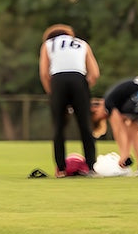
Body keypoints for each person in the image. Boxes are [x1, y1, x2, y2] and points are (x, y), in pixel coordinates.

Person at [38, 24, 101, 177]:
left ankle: (60, 169)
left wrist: (52, 94)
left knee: (58, 127)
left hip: (58, 81)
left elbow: (44, 73)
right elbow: (94, 74)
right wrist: (84, 89)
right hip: (79, 79)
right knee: (85, 126)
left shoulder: (48, 45)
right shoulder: (82, 44)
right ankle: (91, 167)